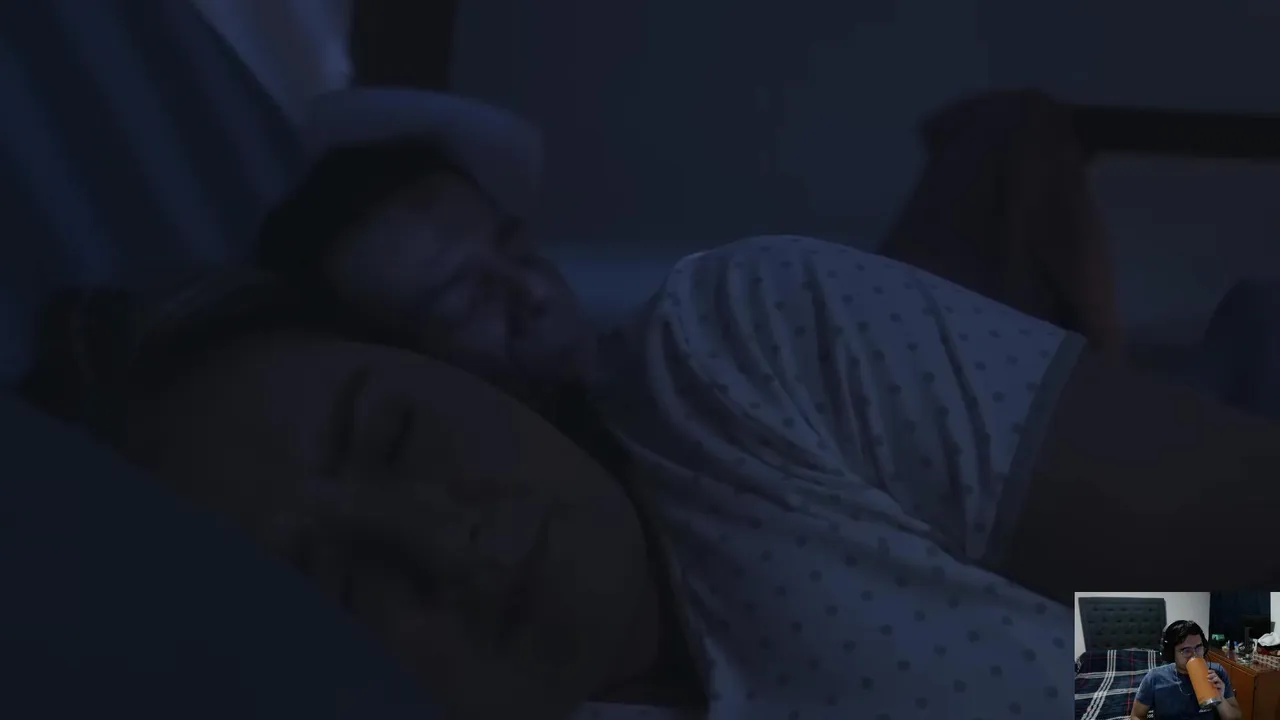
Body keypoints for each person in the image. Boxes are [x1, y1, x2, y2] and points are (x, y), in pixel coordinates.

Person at [22, 88, 1280, 719]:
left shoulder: (742, 365)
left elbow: (1232, 635)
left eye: (393, 435)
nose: (439, 543)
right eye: (339, 585)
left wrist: (1183, 684)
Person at [1131, 621, 1240, 720]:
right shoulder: (1154, 678)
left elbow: (1236, 717)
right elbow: (1137, 716)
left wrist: (1220, 698)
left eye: (1198, 647)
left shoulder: (1217, 672)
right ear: (1171, 653)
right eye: (1186, 650)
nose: (1194, 655)